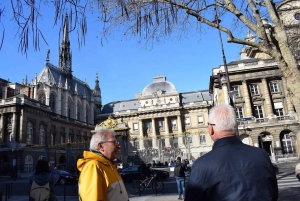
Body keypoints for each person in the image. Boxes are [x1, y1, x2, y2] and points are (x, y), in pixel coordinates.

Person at [185, 104, 278, 201]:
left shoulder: (201, 165)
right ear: (235, 127)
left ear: (211, 129)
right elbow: (273, 192)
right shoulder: (261, 155)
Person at [77, 129, 129, 201]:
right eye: (114, 142)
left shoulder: (108, 165)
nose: (119, 146)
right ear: (101, 146)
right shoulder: (93, 166)